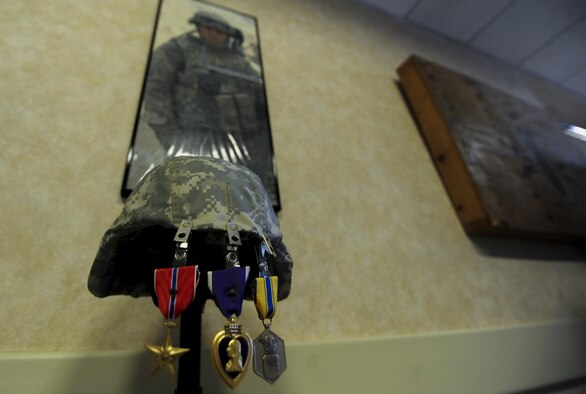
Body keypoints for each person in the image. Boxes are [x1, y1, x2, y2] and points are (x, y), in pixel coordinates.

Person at [140, 11, 273, 189]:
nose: (214, 33)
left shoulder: (238, 60)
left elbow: (258, 95)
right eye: (209, 28)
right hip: (193, 136)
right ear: (199, 27)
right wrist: (172, 139)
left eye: (220, 31)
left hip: (240, 141)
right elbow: (156, 91)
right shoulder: (176, 50)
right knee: (191, 191)